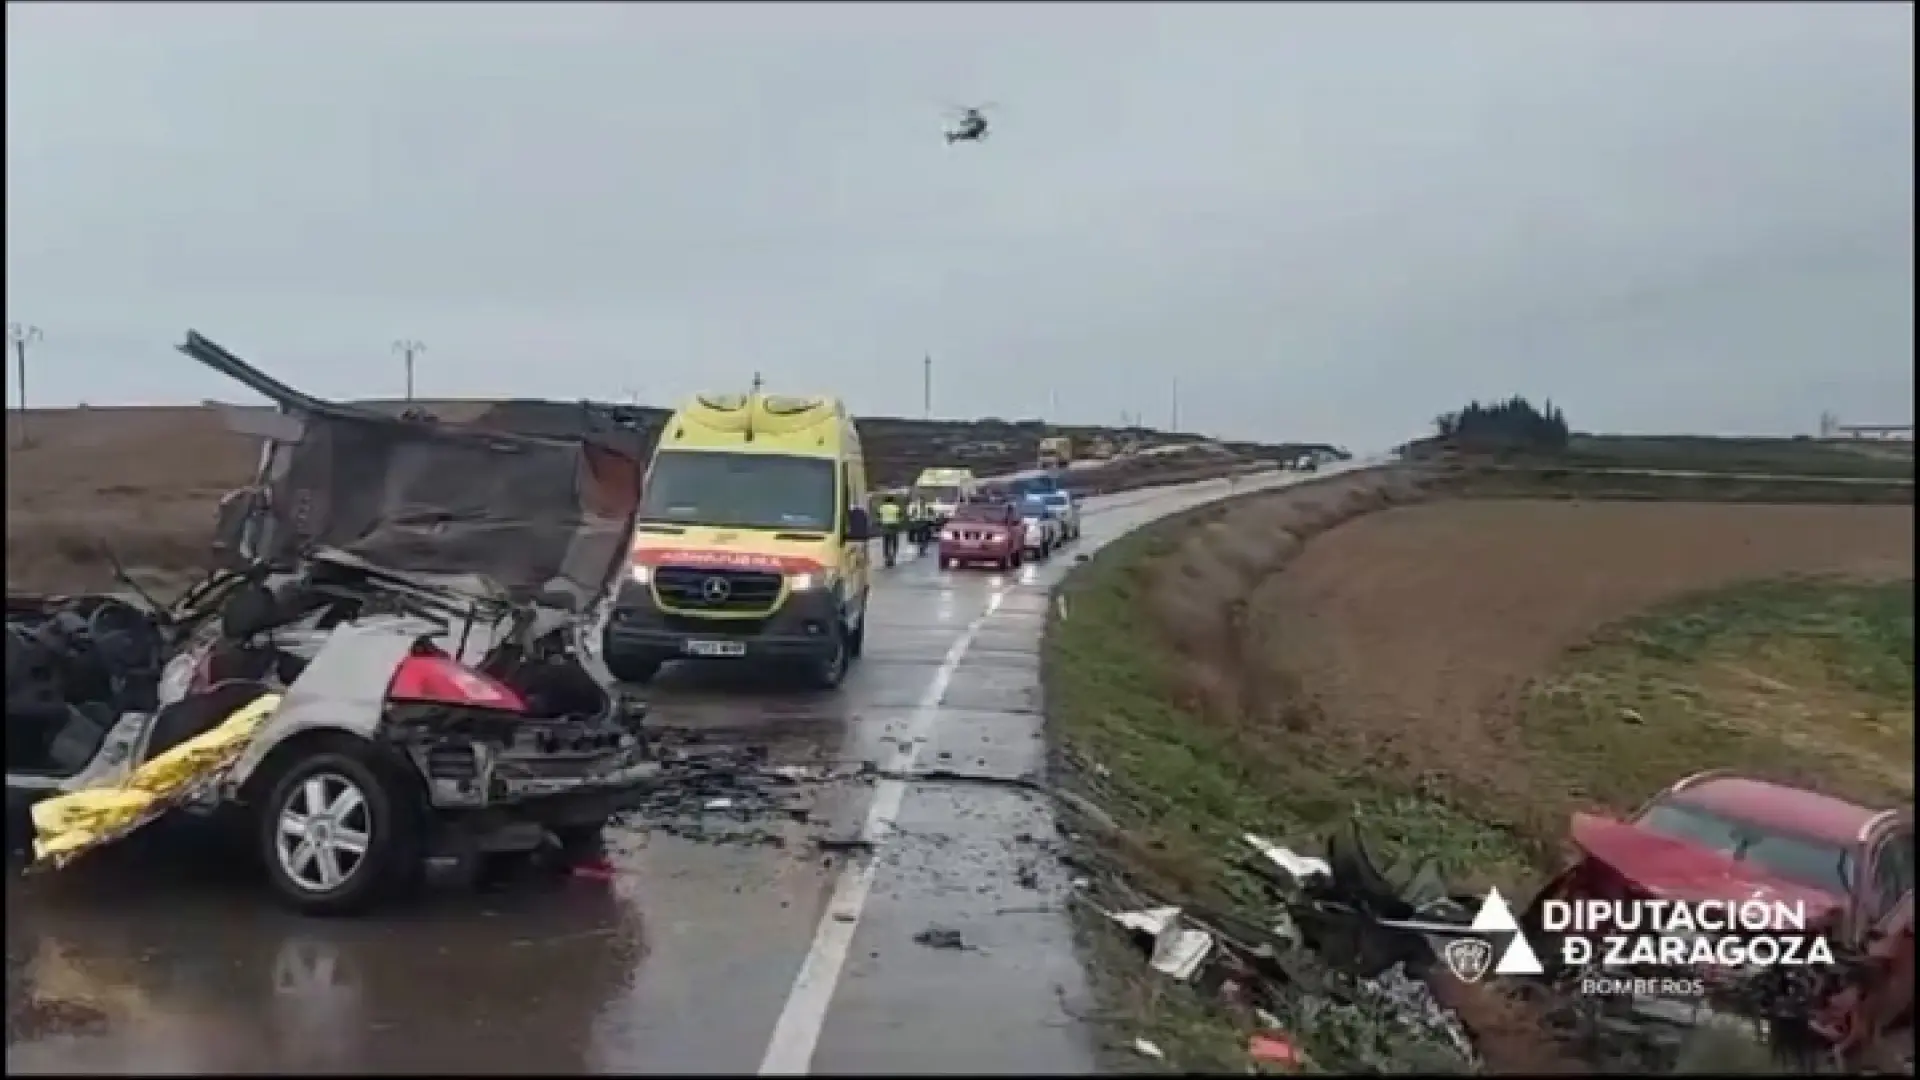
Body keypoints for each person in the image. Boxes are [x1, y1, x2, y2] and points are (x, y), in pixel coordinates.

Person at [877, 494, 904, 566]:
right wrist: (899, 521)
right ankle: (893, 555)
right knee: (894, 540)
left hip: (885, 525)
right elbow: (900, 516)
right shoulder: (895, 507)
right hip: (894, 525)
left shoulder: (882, 507)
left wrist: (880, 522)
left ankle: (886, 556)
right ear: (892, 501)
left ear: (885, 501)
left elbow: (879, 516)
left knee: (886, 541)